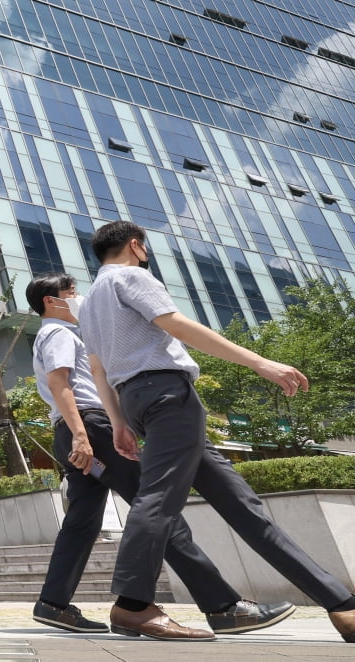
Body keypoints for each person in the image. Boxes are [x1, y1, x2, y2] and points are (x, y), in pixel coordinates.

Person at [78, 221, 355, 642]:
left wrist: (119, 423)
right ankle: (133, 605)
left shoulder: (90, 301)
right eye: (145, 246)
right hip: (167, 394)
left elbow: (98, 369)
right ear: (136, 246)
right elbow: (179, 326)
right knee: (158, 499)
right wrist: (261, 362)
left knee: (242, 506)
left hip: (137, 400)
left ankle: (341, 605)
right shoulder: (132, 275)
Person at [26, 273, 293, 636]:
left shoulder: (55, 334)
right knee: (156, 508)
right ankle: (223, 606)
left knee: (82, 521)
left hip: (76, 431)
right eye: (71, 293)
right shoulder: (58, 333)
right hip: (90, 429)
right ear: (50, 301)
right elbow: (60, 385)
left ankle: (53, 603)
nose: (79, 299)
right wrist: (81, 436)